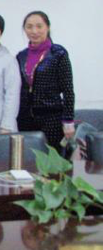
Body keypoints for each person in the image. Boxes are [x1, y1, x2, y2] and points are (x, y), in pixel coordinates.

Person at [16, 11, 75, 150]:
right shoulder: (21, 56)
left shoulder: (58, 53)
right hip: (25, 119)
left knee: (52, 160)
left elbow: (68, 90)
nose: (34, 31)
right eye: (29, 27)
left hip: (52, 119)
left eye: (39, 26)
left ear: (47, 27)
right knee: (28, 159)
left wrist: (68, 121)